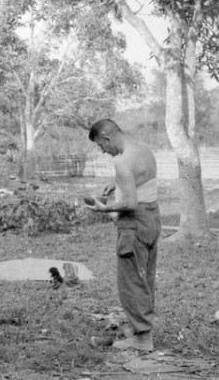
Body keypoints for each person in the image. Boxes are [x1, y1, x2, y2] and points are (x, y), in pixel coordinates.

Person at [85, 119, 161, 352]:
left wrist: (102, 208)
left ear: (107, 138)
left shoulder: (121, 161)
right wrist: (116, 183)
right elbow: (141, 177)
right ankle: (141, 329)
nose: (103, 151)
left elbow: (128, 202)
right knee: (144, 277)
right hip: (152, 218)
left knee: (130, 281)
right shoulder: (142, 149)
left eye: (100, 146)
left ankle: (141, 339)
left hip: (134, 222)